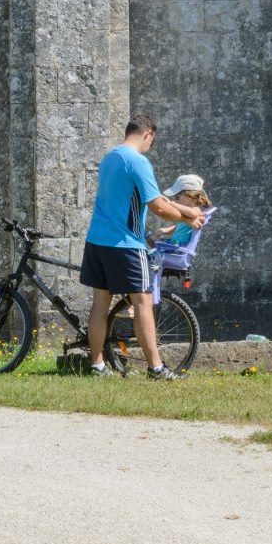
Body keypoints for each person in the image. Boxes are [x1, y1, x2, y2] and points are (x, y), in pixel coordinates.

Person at [81, 114, 206, 380]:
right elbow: (158, 206)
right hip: (125, 244)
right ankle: (156, 368)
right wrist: (189, 217)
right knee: (143, 303)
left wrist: (187, 212)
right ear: (147, 134)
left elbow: (157, 196)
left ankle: (97, 366)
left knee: (99, 305)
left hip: (96, 241)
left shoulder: (110, 158)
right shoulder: (138, 162)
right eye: (152, 140)